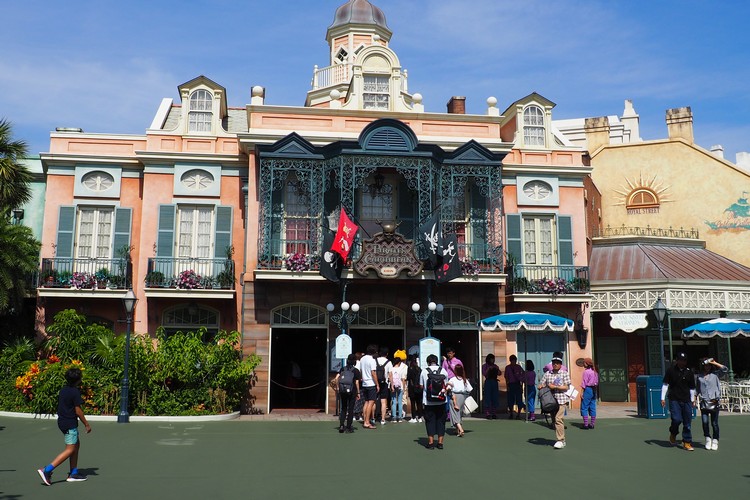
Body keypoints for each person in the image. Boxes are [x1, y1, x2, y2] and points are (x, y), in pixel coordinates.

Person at [37, 367, 92, 485]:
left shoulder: (63, 390)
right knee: (70, 449)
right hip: (69, 423)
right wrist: (86, 424)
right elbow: (78, 410)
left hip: (63, 422)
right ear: (78, 380)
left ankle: (74, 473)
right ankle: (46, 470)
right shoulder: (75, 392)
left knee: (76, 445)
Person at [660, 351, 697, 451]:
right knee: (676, 419)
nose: (683, 362)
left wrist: (693, 400)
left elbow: (692, 388)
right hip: (674, 399)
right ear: (677, 360)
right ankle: (673, 433)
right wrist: (662, 398)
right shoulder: (670, 370)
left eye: (684, 360)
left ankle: (687, 442)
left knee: (687, 422)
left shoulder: (689, 372)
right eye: (681, 360)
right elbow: (665, 385)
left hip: (686, 400)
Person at [538, 354, 571, 449]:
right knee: (554, 421)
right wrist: (541, 386)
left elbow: (567, 387)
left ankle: (560, 440)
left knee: (558, 419)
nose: (555, 364)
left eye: (557, 363)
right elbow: (542, 384)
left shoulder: (564, 374)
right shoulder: (548, 374)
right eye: (554, 363)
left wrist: (555, 387)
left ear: (560, 364)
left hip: (561, 399)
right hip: (551, 400)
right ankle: (561, 439)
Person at [697, 357, 728, 451]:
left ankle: (715, 440)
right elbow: (697, 389)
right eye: (706, 365)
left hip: (714, 401)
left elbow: (725, 369)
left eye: (709, 365)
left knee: (714, 423)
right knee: (705, 422)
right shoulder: (699, 376)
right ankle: (707, 438)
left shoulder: (715, 374)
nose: (707, 367)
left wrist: (714, 362)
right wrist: (694, 399)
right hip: (704, 402)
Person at [420, 354, 447, 449]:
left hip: (428, 401)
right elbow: (446, 385)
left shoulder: (424, 371)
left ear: (428, 362)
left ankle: (431, 443)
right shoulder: (443, 370)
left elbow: (421, 386)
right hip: (441, 400)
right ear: (437, 361)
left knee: (429, 420)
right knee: (441, 421)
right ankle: (440, 443)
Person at [334, 353, 361, 433]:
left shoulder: (343, 369)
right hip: (352, 391)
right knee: (351, 409)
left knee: (343, 408)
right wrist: (358, 393)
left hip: (343, 391)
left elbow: (336, 378)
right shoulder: (356, 371)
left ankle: (342, 425)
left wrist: (338, 388)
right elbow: (356, 383)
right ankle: (349, 427)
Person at [448, 364, 473, 437]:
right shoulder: (464, 379)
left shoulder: (452, 379)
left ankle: (460, 429)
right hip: (463, 397)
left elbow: (449, 388)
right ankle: (457, 430)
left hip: (454, 396)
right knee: (459, 413)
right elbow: (470, 389)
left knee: (454, 413)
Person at [360, 345, 379, 429]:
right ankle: (367, 422)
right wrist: (377, 384)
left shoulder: (362, 359)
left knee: (366, 402)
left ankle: (365, 420)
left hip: (364, 383)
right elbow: (373, 373)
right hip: (371, 383)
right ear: (374, 352)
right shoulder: (372, 360)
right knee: (371, 403)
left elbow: (360, 371)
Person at [375, 346, 393, 424]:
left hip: (375, 383)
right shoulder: (388, 362)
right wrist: (392, 385)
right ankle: (383, 419)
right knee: (383, 401)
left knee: (373, 401)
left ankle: (373, 418)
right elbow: (390, 375)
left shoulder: (375, 360)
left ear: (379, 353)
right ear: (387, 354)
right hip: (384, 383)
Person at [389, 351, 408, 422]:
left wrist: (391, 386)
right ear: (399, 362)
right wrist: (403, 388)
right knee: (400, 401)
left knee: (394, 401)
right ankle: (399, 417)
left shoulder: (391, 368)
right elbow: (403, 379)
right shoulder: (402, 368)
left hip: (393, 386)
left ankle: (393, 417)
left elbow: (389, 377)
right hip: (400, 386)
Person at [580, 357, 599, 429]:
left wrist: (581, 392)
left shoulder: (586, 372)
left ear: (587, 364)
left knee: (584, 407)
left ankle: (585, 424)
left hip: (587, 390)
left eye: (584, 362)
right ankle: (592, 424)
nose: (583, 364)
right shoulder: (595, 372)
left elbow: (584, 383)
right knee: (592, 407)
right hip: (594, 390)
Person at [504, 354, 525, 419]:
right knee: (510, 400)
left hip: (518, 384)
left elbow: (523, 374)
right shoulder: (507, 367)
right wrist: (507, 386)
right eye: (512, 360)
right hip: (511, 384)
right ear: (510, 361)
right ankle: (511, 413)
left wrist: (521, 383)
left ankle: (518, 413)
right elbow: (506, 377)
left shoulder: (518, 367)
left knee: (519, 400)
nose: (514, 362)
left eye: (514, 360)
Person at [482, 354, 501, 419]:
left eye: (493, 359)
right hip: (488, 382)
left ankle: (494, 413)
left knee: (495, 397)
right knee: (487, 397)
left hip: (494, 382)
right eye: (491, 359)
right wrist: (489, 369)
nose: (493, 360)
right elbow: (484, 373)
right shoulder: (484, 366)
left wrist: (497, 369)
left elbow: (499, 373)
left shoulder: (495, 366)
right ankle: (487, 413)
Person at [407, 354, 424, 423]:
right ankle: (420, 417)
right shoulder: (419, 369)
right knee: (419, 403)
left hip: (412, 388)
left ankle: (413, 417)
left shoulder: (410, 369)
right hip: (419, 388)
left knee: (413, 403)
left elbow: (408, 378)